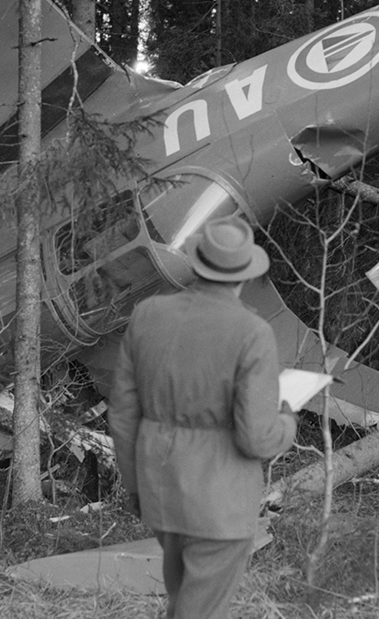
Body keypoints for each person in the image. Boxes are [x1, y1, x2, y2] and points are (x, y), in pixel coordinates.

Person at [110, 215, 298, 619]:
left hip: (160, 493)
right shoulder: (252, 333)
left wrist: (136, 489)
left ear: (197, 264)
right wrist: (288, 421)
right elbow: (257, 438)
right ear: (244, 276)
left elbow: (123, 416)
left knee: (184, 601)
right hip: (219, 504)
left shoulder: (147, 315)